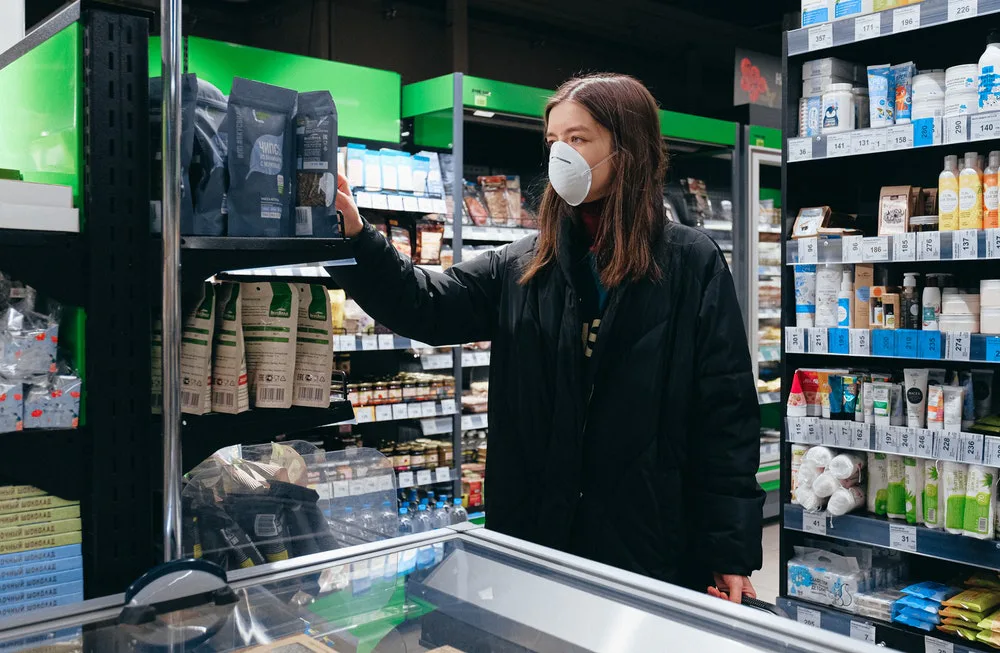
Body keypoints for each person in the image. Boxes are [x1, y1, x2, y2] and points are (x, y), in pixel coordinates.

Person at [330, 73, 764, 602]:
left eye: (578, 139)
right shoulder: (523, 265)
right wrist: (359, 241)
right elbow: (428, 305)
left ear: (627, 149)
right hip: (537, 537)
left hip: (651, 542)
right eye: (553, 141)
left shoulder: (690, 264)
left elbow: (726, 416)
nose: (561, 154)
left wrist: (729, 548)